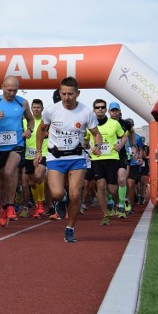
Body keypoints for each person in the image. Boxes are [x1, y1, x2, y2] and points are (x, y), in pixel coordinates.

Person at [36, 77, 103, 243]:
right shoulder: (51, 110)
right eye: (63, 94)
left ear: (78, 94)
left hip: (76, 157)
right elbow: (40, 130)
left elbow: (96, 134)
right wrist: (38, 151)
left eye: (70, 94)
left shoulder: (86, 112)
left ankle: (70, 228)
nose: (67, 97)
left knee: (75, 194)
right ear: (60, 93)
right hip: (55, 157)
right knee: (57, 193)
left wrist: (98, 145)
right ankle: (61, 199)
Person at [0, 75, 34, 227]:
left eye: (15, 90)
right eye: (9, 90)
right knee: (1, 180)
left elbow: (30, 119)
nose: (12, 93)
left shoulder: (22, 102)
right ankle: (3, 207)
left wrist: (29, 129)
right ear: (2, 86)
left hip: (17, 143)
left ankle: (10, 206)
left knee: (10, 171)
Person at [88, 99, 126, 224]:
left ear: (106, 110)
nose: (100, 109)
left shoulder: (114, 123)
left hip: (112, 158)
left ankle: (118, 203)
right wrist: (89, 148)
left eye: (102, 107)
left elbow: (123, 136)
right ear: (94, 109)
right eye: (97, 107)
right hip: (97, 159)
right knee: (100, 185)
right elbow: (84, 140)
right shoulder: (90, 124)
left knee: (112, 189)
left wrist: (120, 146)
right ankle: (105, 215)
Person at [22, 99, 49, 219]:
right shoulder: (25, 122)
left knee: (39, 177)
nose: (36, 109)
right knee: (32, 182)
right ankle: (38, 203)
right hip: (29, 154)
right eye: (34, 107)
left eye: (38, 107)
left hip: (43, 153)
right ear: (31, 109)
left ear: (42, 108)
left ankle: (40, 203)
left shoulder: (46, 122)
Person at [108, 102, 136, 214]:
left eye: (116, 110)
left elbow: (132, 131)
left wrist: (133, 145)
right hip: (109, 156)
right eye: (112, 110)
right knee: (110, 183)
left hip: (122, 155)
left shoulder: (125, 123)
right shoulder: (105, 123)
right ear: (109, 112)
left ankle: (120, 204)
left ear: (120, 111)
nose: (114, 113)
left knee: (122, 179)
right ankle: (110, 202)